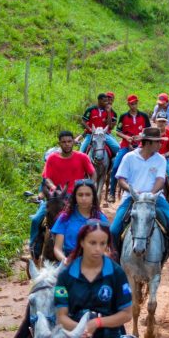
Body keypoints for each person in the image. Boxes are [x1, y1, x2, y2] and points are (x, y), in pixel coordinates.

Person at [111, 127, 169, 276]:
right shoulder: (129, 158)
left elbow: (160, 179)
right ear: (147, 143)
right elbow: (121, 179)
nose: (160, 145)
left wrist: (150, 195)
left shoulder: (160, 159)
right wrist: (132, 191)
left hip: (155, 199)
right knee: (114, 229)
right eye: (157, 142)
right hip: (131, 199)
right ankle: (115, 263)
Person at [54, 222, 132, 338]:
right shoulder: (65, 276)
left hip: (110, 334)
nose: (98, 249)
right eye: (92, 243)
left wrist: (97, 323)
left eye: (102, 244)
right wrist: (81, 330)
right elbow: (61, 317)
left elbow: (126, 314)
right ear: (82, 242)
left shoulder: (117, 273)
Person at [30, 131, 96, 260]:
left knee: (91, 220)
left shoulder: (82, 157)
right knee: (36, 219)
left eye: (69, 141)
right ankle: (34, 249)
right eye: (64, 142)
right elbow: (47, 178)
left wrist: (88, 187)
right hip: (55, 196)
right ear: (59, 143)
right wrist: (53, 187)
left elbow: (93, 174)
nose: (67, 144)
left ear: (73, 142)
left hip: (76, 196)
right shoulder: (52, 158)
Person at [52, 179, 109, 263]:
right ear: (75, 196)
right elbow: (57, 248)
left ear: (93, 196)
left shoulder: (101, 219)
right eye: (80, 195)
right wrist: (65, 260)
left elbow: (107, 249)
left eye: (88, 195)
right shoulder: (64, 218)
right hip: (69, 261)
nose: (84, 198)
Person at [110, 94, 150, 202]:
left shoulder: (144, 116)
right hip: (125, 145)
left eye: (135, 103)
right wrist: (126, 137)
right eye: (132, 104)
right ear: (128, 104)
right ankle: (112, 192)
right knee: (115, 166)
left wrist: (141, 136)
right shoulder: (123, 116)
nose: (134, 105)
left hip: (141, 145)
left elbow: (148, 131)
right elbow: (118, 131)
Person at [80, 93, 119, 158]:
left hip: (104, 135)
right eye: (105, 101)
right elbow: (83, 121)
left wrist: (109, 112)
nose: (107, 103)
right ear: (99, 101)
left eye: (108, 101)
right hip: (91, 135)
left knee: (117, 147)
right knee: (81, 151)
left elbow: (109, 126)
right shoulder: (90, 109)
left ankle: (113, 164)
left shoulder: (110, 112)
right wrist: (90, 129)